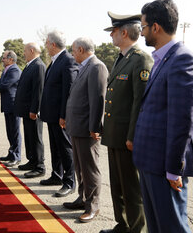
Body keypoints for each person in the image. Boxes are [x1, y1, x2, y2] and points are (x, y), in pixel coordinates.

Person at [132, 0, 193, 233]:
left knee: (172, 227)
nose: (141, 33)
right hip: (151, 160)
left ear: (156, 27)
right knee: (157, 227)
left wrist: (174, 169)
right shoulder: (162, 59)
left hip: (165, 165)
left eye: (143, 27)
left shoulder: (183, 60)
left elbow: (182, 120)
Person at [100, 12, 153, 233]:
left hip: (126, 137)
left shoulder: (140, 59)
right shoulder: (123, 58)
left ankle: (136, 228)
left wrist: (132, 136)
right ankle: (122, 224)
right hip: (114, 134)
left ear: (124, 32)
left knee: (132, 188)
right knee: (118, 186)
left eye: (113, 31)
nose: (111, 35)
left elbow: (139, 103)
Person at [63, 37, 107, 223]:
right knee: (80, 168)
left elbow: (98, 99)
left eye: (73, 50)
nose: (72, 54)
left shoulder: (97, 67)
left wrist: (95, 127)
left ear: (81, 49)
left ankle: (92, 206)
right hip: (77, 126)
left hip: (87, 129)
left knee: (89, 168)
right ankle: (83, 198)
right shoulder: (85, 67)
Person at [39, 30, 78, 197]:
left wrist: (64, 115)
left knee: (65, 147)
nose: (46, 46)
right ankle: (57, 175)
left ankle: (69, 181)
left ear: (53, 44)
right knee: (55, 146)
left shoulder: (68, 60)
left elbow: (68, 91)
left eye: (47, 43)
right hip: (51, 114)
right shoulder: (55, 61)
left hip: (60, 115)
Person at [14, 43, 46, 178]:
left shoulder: (39, 66)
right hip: (27, 110)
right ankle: (32, 161)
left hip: (33, 111)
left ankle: (39, 166)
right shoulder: (30, 65)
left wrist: (35, 110)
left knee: (36, 137)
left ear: (32, 50)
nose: (23, 53)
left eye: (25, 51)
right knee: (29, 136)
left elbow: (38, 91)